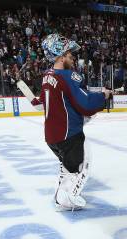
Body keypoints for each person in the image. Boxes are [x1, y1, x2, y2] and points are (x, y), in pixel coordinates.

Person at [36, 34, 111, 210]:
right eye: (70, 55)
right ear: (61, 56)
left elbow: (43, 101)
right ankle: (67, 198)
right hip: (69, 134)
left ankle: (59, 196)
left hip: (52, 137)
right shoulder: (68, 75)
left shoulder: (47, 76)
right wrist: (103, 96)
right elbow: (84, 103)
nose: (73, 58)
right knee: (81, 165)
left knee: (67, 168)